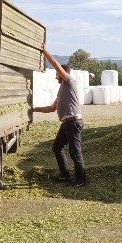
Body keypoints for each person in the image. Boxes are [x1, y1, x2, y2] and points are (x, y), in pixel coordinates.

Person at [32, 44, 87, 187]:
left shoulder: (69, 82)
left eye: (58, 74)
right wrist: (33, 109)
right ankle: (65, 176)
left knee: (75, 152)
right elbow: (51, 108)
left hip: (73, 122)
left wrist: (44, 51)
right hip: (66, 123)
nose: (56, 76)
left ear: (62, 74)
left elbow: (56, 65)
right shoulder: (61, 90)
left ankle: (81, 180)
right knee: (57, 147)